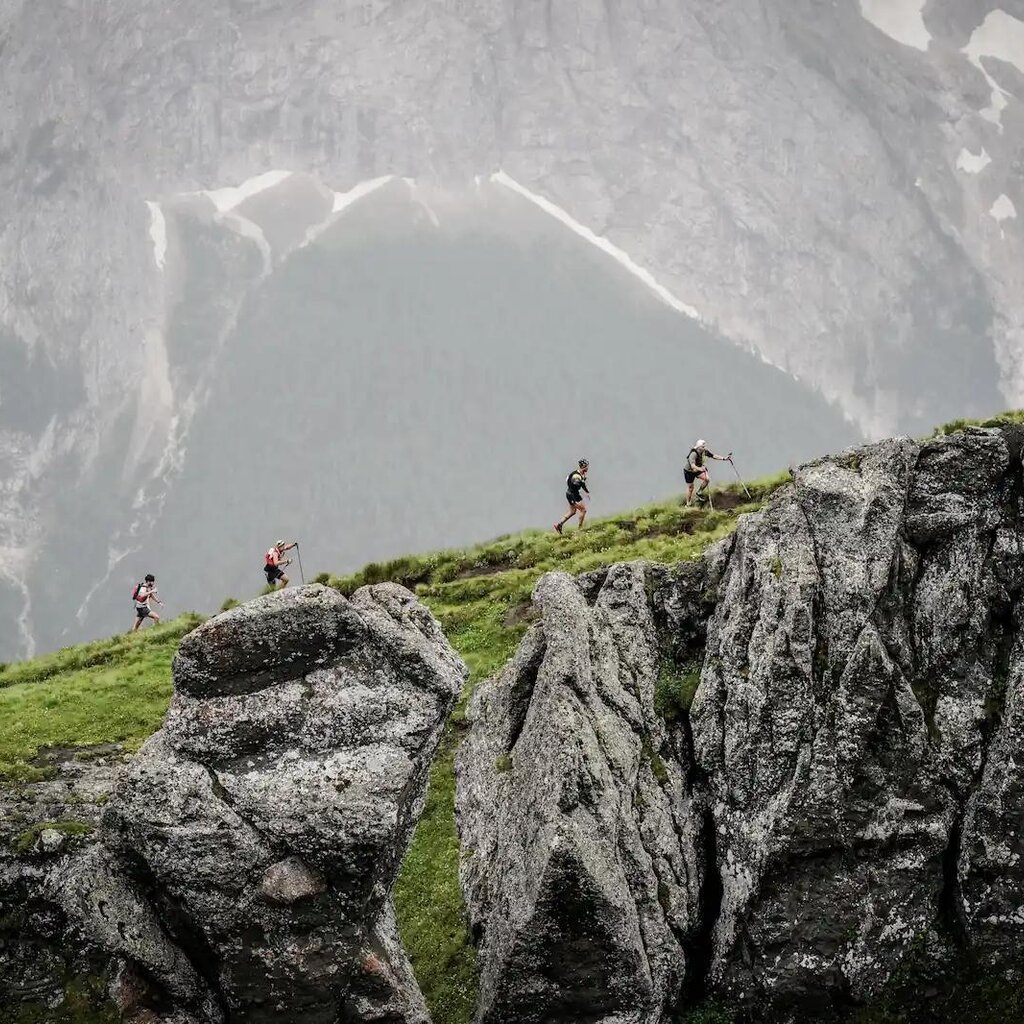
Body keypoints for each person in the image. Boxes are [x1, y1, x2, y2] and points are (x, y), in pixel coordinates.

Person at [685, 439, 732, 506]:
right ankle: (688, 503)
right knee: (690, 488)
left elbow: (713, 456)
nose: (704, 448)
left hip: (698, 469)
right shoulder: (693, 454)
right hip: (689, 471)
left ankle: (699, 493)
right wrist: (701, 469)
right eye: (702, 447)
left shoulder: (704, 452)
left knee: (707, 479)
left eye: (704, 446)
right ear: (698, 447)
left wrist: (724, 458)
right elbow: (692, 466)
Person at [555, 459, 590, 534]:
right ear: (583, 466)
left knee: (572, 511)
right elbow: (576, 482)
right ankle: (580, 529)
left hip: (575, 494)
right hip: (571, 495)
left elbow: (568, 479)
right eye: (587, 466)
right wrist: (580, 483)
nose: (588, 468)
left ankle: (559, 525)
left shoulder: (581, 474)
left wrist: (587, 492)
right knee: (583, 510)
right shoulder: (576, 476)